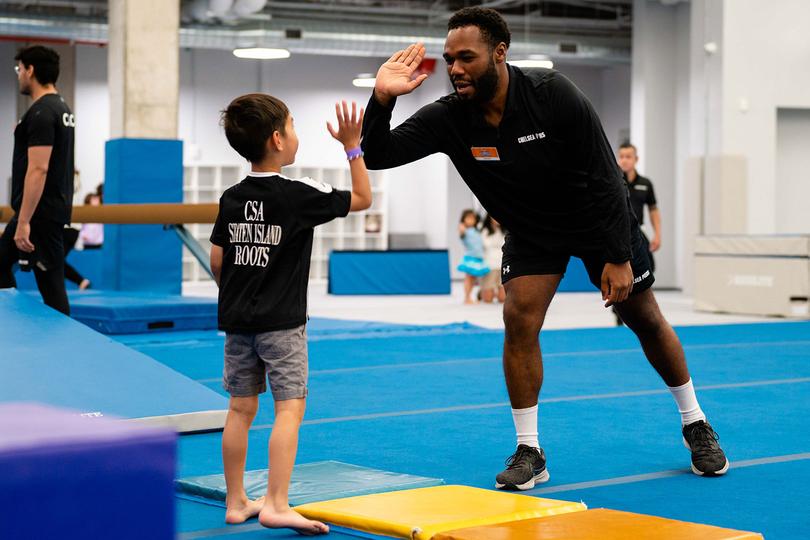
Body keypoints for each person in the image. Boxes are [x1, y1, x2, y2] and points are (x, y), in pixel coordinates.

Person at [361, 7, 728, 489]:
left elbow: (605, 178)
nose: (455, 69)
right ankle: (529, 449)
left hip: (596, 220)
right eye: (449, 59)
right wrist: (382, 97)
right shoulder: (450, 118)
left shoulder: (553, 95)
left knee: (646, 318)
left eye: (466, 57)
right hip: (532, 232)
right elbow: (379, 153)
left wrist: (617, 256)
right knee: (519, 318)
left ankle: (695, 421)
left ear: (499, 52)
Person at [210, 94, 371, 533]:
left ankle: (237, 499)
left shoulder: (231, 197)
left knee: (240, 409)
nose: (296, 134)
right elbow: (361, 198)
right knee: (288, 410)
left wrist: (241, 292)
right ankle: (276, 502)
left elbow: (218, 261)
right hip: (282, 324)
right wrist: (352, 146)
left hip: (237, 321)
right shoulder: (299, 194)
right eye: (294, 126)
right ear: (278, 139)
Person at [0, 45, 75, 315]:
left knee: (52, 287)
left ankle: (51, 339)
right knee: (49, 284)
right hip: (48, 211)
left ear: (30, 70)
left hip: (38, 215)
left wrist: (23, 222)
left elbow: (39, 170)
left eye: (19, 69)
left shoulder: (43, 112)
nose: (19, 75)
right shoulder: (60, 109)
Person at [617, 142, 660, 271]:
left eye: (628, 156)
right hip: (619, 233)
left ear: (636, 159)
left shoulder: (645, 184)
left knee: (648, 267)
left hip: (638, 232)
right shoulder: (614, 182)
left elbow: (653, 209)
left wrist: (657, 234)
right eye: (621, 156)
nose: (624, 160)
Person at [457, 209, 488, 304]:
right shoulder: (464, 230)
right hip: (470, 258)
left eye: (473, 218)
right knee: (468, 278)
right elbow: (461, 233)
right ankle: (467, 297)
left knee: (473, 280)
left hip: (478, 258)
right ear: (464, 219)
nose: (471, 220)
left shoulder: (476, 230)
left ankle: (469, 296)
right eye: (468, 218)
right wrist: (461, 227)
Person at [480, 213, 505, 303]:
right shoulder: (485, 230)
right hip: (489, 265)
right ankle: (482, 291)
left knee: (502, 299)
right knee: (488, 299)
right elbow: (486, 245)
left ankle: (495, 290)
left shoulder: (504, 231)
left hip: (502, 264)